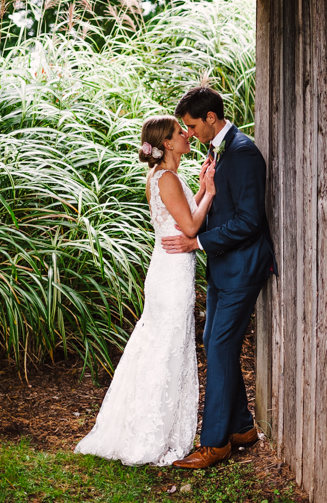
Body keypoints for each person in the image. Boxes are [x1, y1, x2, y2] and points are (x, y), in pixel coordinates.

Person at [74, 115, 216, 466]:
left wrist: (198, 188)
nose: (187, 135)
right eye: (180, 133)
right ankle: (150, 435)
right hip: (172, 274)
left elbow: (182, 212)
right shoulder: (166, 177)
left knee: (162, 346)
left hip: (168, 270)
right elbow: (190, 225)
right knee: (166, 348)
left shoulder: (162, 176)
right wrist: (210, 192)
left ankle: (150, 427)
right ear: (167, 144)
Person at [162, 86, 276, 470]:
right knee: (214, 341)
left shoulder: (242, 153)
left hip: (243, 267)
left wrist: (199, 242)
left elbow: (249, 220)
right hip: (223, 266)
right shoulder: (217, 150)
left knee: (218, 346)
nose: (188, 133)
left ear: (211, 118)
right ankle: (242, 428)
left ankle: (215, 443)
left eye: (192, 125)